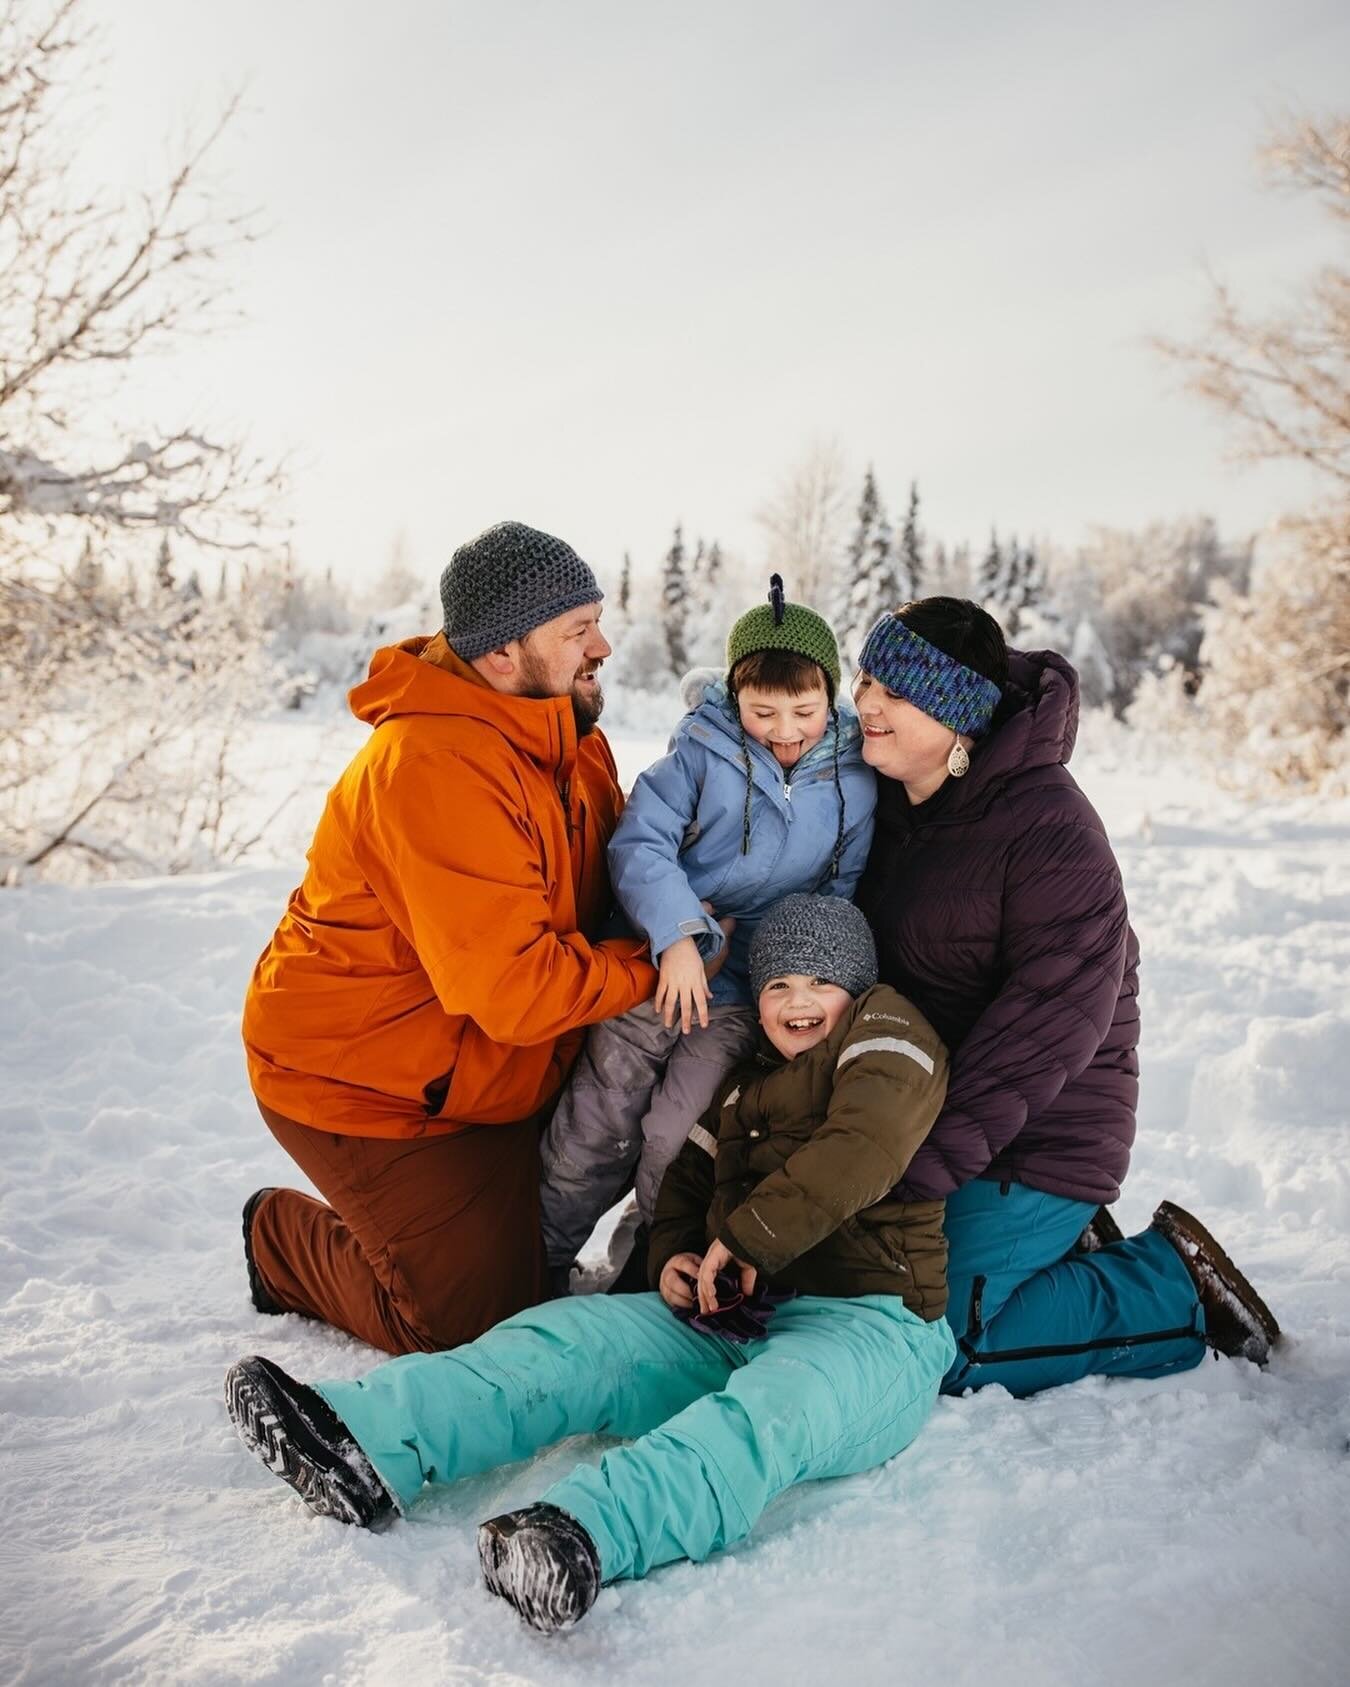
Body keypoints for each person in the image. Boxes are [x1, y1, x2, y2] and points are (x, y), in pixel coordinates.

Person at [224, 895, 954, 1634]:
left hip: (874, 1325)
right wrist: (675, 1254)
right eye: (777, 984)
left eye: (821, 980)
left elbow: (867, 1142)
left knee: (764, 1417)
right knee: (574, 1339)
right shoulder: (743, 1086)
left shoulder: (890, 1034)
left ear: (857, 987)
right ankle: (363, 1437)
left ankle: (584, 1533)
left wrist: (749, 1238)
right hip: (738, 1311)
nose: (799, 999)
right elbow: (688, 1188)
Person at [238, 521, 658, 1355]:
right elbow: (514, 988)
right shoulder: (431, 766)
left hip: (486, 1068)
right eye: (577, 630)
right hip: (367, 1085)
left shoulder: (569, 739)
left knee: (531, 1277)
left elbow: (623, 873)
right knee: (472, 1330)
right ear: (502, 654)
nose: (602, 645)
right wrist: (654, 968)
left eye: (597, 621)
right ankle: (276, 1241)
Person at [850, 597, 1281, 1396]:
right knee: (850, 1307)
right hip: (928, 1125)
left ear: (957, 718)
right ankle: (1050, 1254)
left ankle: (1170, 1286)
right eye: (866, 678)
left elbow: (1051, 1026)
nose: (866, 703)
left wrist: (919, 1162)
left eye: (896, 693)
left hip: (1039, 1133)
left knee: (939, 1343)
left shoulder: (1049, 828)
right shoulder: (887, 798)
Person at [539, 577, 876, 1282]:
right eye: (763, 711)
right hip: (658, 969)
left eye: (804, 711)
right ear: (734, 698)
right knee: (596, 1125)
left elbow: (835, 896)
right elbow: (640, 844)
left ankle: (650, 1264)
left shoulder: (853, 784)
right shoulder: (699, 752)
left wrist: (795, 993)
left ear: (830, 700)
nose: (784, 730)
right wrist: (678, 938)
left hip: (741, 997)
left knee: (680, 1132)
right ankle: (535, 1260)